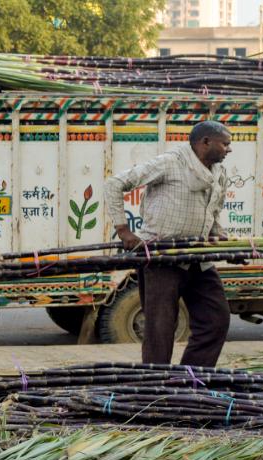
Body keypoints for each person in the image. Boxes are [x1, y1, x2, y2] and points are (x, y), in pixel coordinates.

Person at [105, 120, 233, 367]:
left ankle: (192, 376)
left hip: (198, 257)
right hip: (161, 257)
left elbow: (213, 213)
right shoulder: (169, 163)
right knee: (160, 327)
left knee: (216, 319)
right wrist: (123, 230)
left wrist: (223, 242)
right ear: (206, 142)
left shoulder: (219, 173)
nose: (229, 149)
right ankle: (156, 381)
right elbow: (114, 184)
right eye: (225, 144)